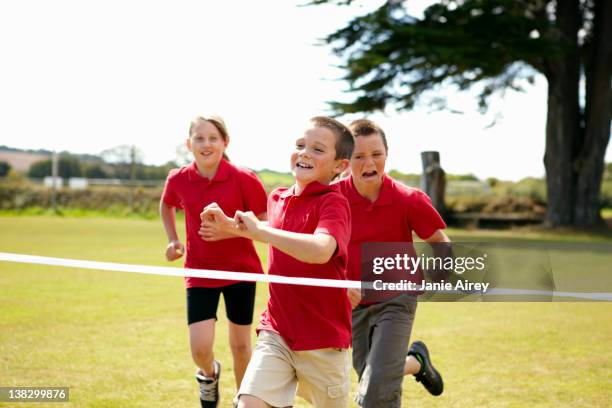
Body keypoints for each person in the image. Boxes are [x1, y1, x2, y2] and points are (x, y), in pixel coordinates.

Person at [201, 116, 354, 408]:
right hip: (277, 330)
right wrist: (227, 227)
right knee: (248, 403)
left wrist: (262, 231)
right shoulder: (278, 197)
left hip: (322, 340)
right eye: (300, 145)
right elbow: (270, 233)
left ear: (340, 166)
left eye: (318, 149)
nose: (305, 153)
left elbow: (321, 250)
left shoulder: (334, 203)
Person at [336, 118, 448, 407]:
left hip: (398, 298)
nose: (368, 162)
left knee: (372, 391)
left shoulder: (409, 199)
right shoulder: (333, 199)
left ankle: (413, 362)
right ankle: (416, 362)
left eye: (376, 154)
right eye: (358, 156)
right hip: (354, 302)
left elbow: (440, 242)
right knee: (373, 378)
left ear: (387, 154)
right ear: (345, 160)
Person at [160, 115, 267, 408]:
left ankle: (243, 400)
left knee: (241, 345)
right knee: (200, 348)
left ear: (225, 143)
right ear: (189, 143)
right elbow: (167, 204)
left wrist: (229, 229)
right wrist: (173, 239)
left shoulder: (244, 178)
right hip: (200, 273)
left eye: (213, 138)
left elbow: (265, 219)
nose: (206, 144)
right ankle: (209, 375)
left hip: (241, 271)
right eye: (199, 138)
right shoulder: (178, 178)